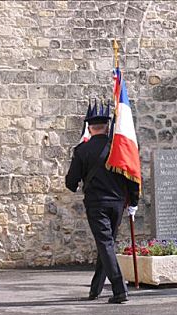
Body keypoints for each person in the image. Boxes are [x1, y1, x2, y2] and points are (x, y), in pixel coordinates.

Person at [65, 106, 139, 304]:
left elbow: (71, 182)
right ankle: (96, 288)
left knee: (105, 244)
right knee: (105, 244)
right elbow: (131, 175)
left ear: (89, 129)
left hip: (97, 204)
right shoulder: (117, 148)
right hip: (117, 204)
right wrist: (134, 200)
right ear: (107, 128)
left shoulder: (82, 150)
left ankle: (119, 288)